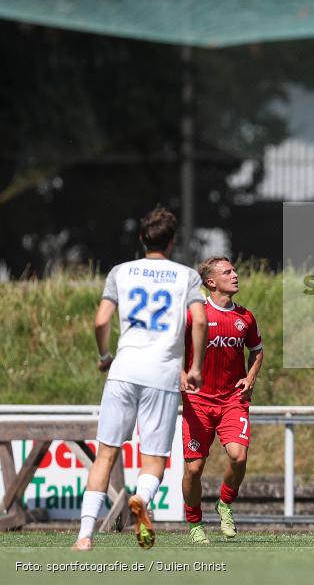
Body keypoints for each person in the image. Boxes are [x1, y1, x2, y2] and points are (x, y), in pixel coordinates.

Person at [73, 207, 207, 551]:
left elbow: (101, 320)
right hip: (161, 374)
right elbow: (200, 321)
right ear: (173, 241)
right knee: (154, 460)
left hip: (124, 371)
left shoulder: (121, 271)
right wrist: (195, 367)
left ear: (141, 239)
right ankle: (141, 499)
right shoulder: (186, 276)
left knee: (105, 455)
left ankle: (85, 536)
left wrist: (105, 355)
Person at [181, 257, 264, 544]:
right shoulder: (194, 315)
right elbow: (173, 349)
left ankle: (225, 504)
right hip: (197, 401)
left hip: (232, 400)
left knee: (238, 457)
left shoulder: (245, 317)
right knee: (194, 469)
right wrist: (181, 373)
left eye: (234, 270)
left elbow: (257, 351)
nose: (235, 275)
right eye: (227, 272)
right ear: (211, 282)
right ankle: (195, 523)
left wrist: (250, 377)